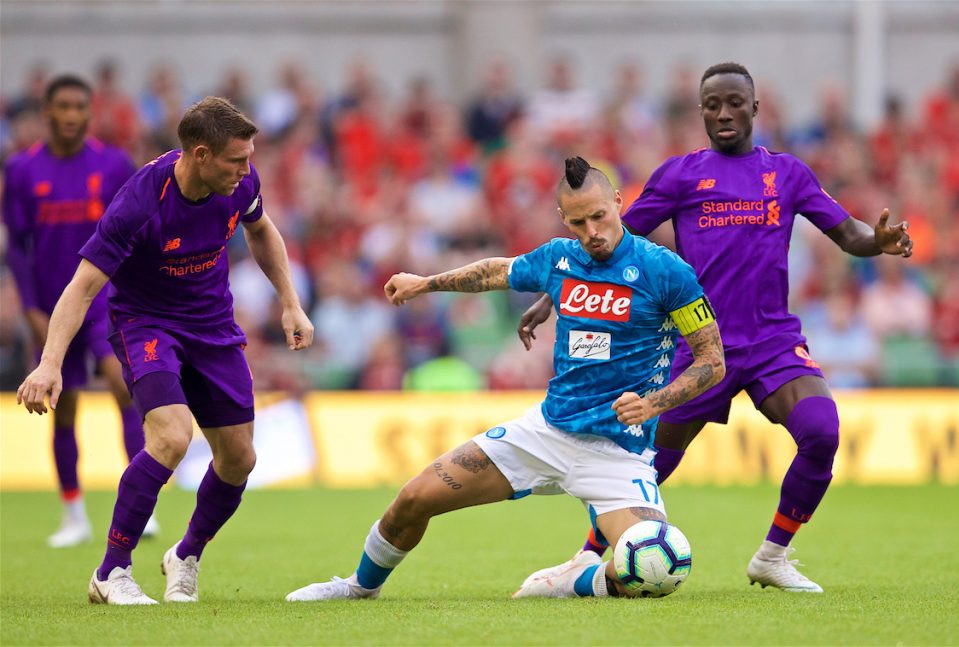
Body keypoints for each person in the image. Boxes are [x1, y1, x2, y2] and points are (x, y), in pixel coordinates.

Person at [518, 63, 913, 593]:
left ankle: (773, 555)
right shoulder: (680, 175)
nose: (723, 113)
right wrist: (550, 296)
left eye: (733, 102)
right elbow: (606, 244)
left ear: (755, 108)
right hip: (701, 346)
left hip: (773, 340)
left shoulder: (788, 174)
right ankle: (584, 558)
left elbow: (847, 233)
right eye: (712, 105)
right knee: (649, 469)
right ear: (701, 111)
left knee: (821, 432)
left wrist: (878, 240)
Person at [285, 157, 725, 602]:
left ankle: (569, 582)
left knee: (655, 568)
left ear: (617, 202)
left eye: (599, 216)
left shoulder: (667, 271)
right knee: (413, 499)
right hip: (547, 431)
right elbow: (498, 271)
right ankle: (360, 587)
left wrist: (655, 404)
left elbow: (712, 361)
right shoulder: (560, 258)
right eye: (578, 221)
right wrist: (426, 283)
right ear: (563, 219)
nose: (592, 231)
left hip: (618, 452)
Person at [17, 96, 314, 605]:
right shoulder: (139, 203)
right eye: (235, 160)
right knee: (172, 437)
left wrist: (290, 302)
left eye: (248, 158)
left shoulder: (241, 184)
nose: (246, 170)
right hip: (145, 323)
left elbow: (261, 229)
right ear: (199, 155)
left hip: (214, 326)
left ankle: (185, 555)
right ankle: (111, 571)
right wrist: (50, 362)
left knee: (240, 459)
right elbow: (83, 286)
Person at [2, 74, 155, 548]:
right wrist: (29, 307)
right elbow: (19, 249)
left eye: (79, 108)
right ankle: (73, 513)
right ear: (46, 111)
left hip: (106, 301)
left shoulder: (112, 164)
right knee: (62, 404)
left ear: (90, 113)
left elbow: (134, 232)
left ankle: (138, 509)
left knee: (121, 387)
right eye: (62, 107)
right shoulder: (21, 170)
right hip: (52, 306)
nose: (70, 116)